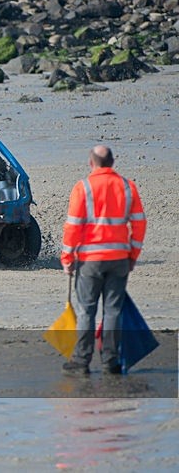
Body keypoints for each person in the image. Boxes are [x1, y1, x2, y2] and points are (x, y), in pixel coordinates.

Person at [60, 145, 147, 376]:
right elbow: (139, 224)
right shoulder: (127, 187)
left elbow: (73, 227)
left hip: (90, 261)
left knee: (86, 311)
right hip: (119, 259)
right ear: (112, 162)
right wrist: (133, 255)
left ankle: (81, 361)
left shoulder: (83, 187)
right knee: (112, 311)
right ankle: (110, 361)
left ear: (91, 163)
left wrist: (67, 258)